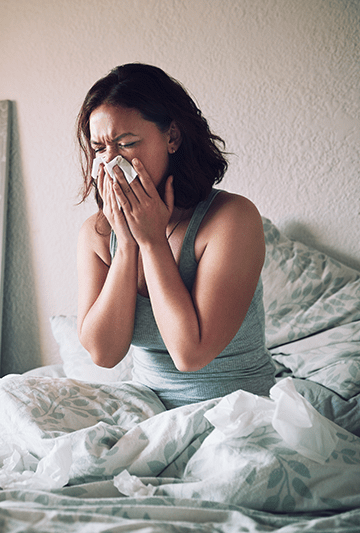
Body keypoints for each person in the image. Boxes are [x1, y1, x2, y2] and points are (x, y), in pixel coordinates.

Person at [76, 63, 275, 409]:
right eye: (99, 149)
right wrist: (126, 245)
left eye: (125, 144)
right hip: (148, 413)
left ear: (172, 137)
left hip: (234, 412)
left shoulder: (231, 219)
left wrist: (151, 242)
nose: (109, 164)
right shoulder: (98, 232)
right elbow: (103, 354)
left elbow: (189, 353)